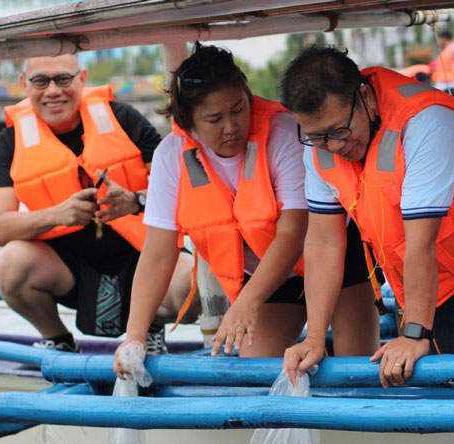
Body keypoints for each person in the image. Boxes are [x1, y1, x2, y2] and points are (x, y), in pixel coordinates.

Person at [113, 44, 378, 377]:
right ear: (188, 123)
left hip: (333, 259)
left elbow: (293, 233)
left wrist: (245, 304)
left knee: (355, 370)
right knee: (254, 370)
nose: (231, 126)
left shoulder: (284, 132)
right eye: (214, 119)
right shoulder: (172, 156)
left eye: (238, 109)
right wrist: (134, 337)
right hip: (268, 277)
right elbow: (157, 254)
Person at [280, 46, 454, 387]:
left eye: (338, 131)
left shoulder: (427, 121)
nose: (332, 147)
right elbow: (323, 242)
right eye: (316, 136)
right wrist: (315, 338)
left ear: (364, 96)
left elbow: (420, 241)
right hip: (433, 281)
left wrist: (413, 333)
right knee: (441, 387)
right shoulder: (319, 149)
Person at [0, 54, 189, 352]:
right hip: (69, 271)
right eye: (41, 81)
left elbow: (189, 193)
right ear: (24, 84)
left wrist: (136, 200)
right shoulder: (10, 140)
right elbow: (0, 228)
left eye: (63, 79)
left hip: (145, 258)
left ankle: (150, 327)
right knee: (11, 263)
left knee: (196, 279)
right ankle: (58, 340)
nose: (53, 91)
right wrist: (60, 214)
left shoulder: (124, 119)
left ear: (82, 79)